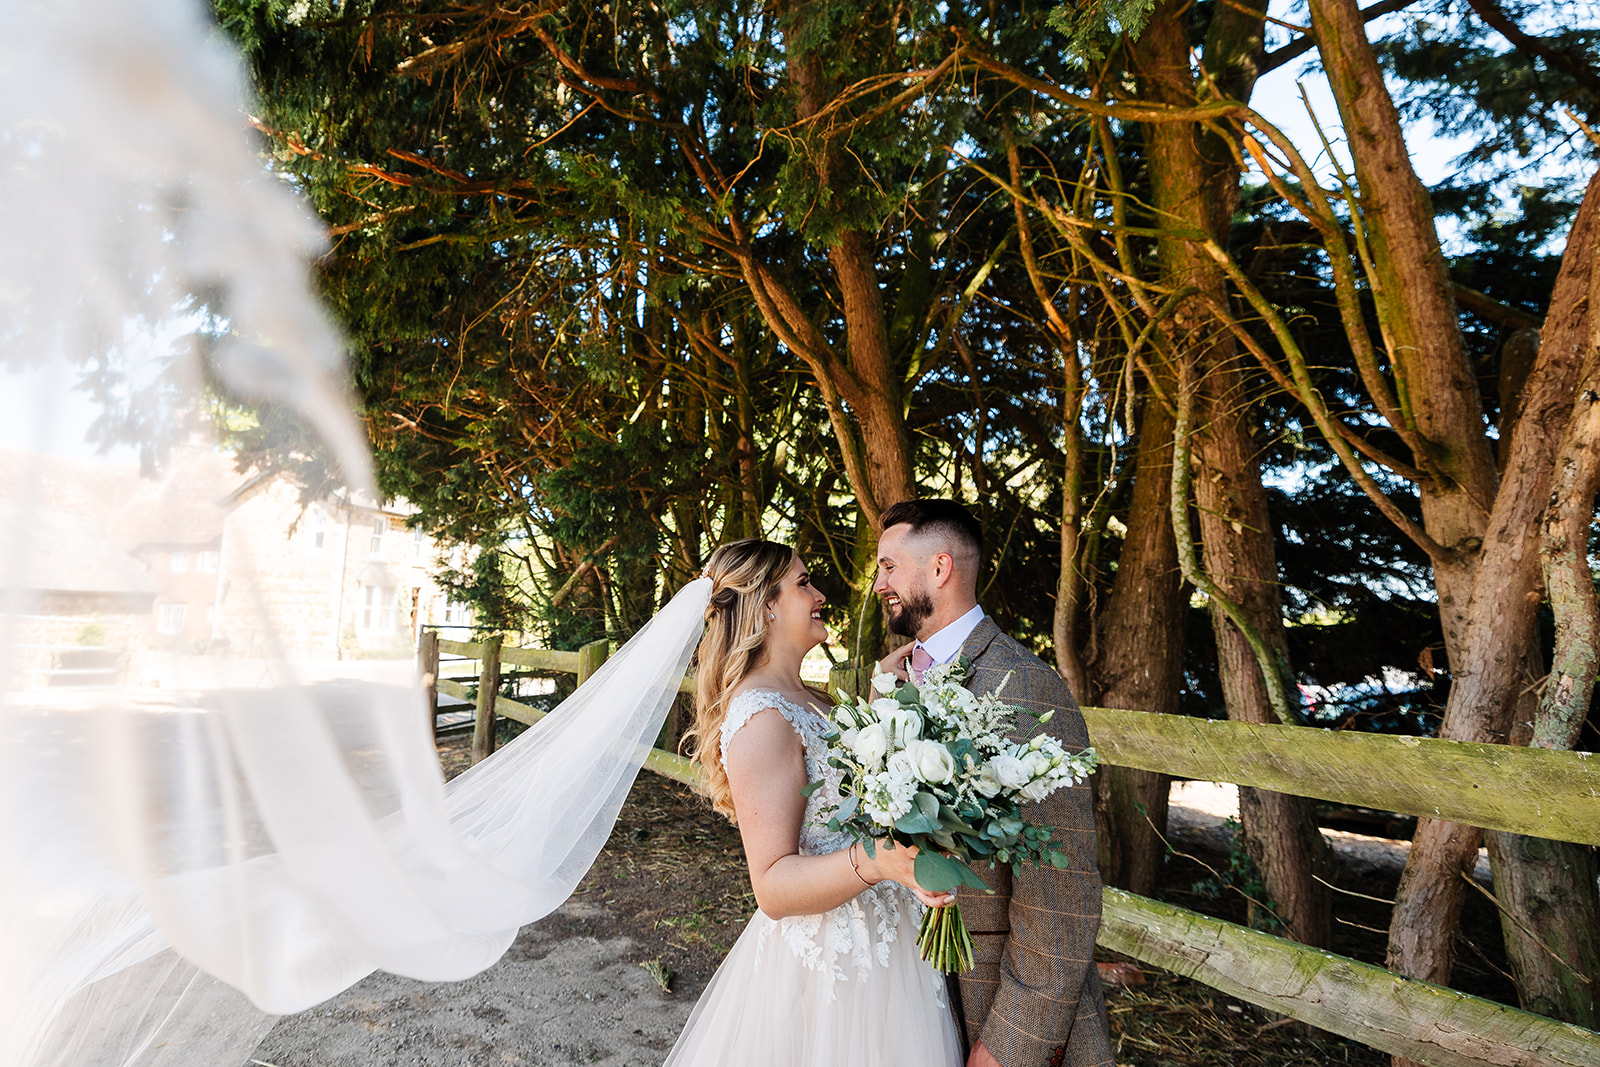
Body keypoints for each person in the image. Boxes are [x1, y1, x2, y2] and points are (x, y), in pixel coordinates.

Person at [663, 538, 964, 1067]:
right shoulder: (761, 717)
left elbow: (839, 797)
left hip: (886, 944)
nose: (820, 593)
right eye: (804, 583)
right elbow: (773, 887)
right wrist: (879, 861)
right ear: (766, 605)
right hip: (831, 966)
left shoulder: (810, 697)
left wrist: (880, 709)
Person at [874, 499, 1113, 1067]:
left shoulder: (1025, 686)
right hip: (911, 996)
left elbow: (1062, 897)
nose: (878, 583)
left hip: (989, 1003)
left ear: (939, 568)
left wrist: (1011, 1044)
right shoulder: (897, 677)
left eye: (888, 567)